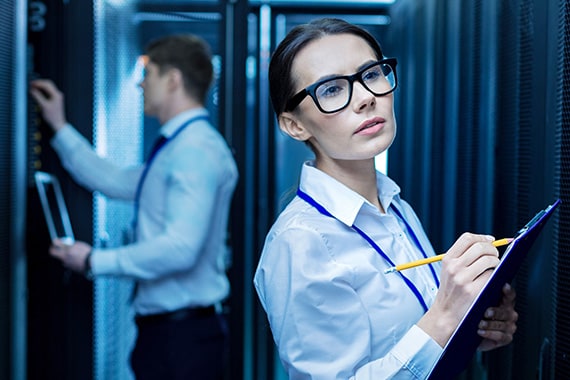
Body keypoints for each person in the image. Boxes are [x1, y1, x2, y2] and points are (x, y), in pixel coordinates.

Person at [253, 18, 518, 379]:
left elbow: (407, 341)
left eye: (371, 74)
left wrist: (471, 328)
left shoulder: (394, 205)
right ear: (294, 125)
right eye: (331, 90)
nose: (365, 98)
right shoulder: (299, 245)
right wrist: (445, 316)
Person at [30, 34, 238, 380]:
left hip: (181, 341)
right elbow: (113, 180)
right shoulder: (179, 148)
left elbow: (180, 249)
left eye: (149, 73)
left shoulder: (195, 150)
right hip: (172, 336)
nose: (141, 84)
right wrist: (59, 125)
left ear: (173, 79)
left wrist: (92, 260)